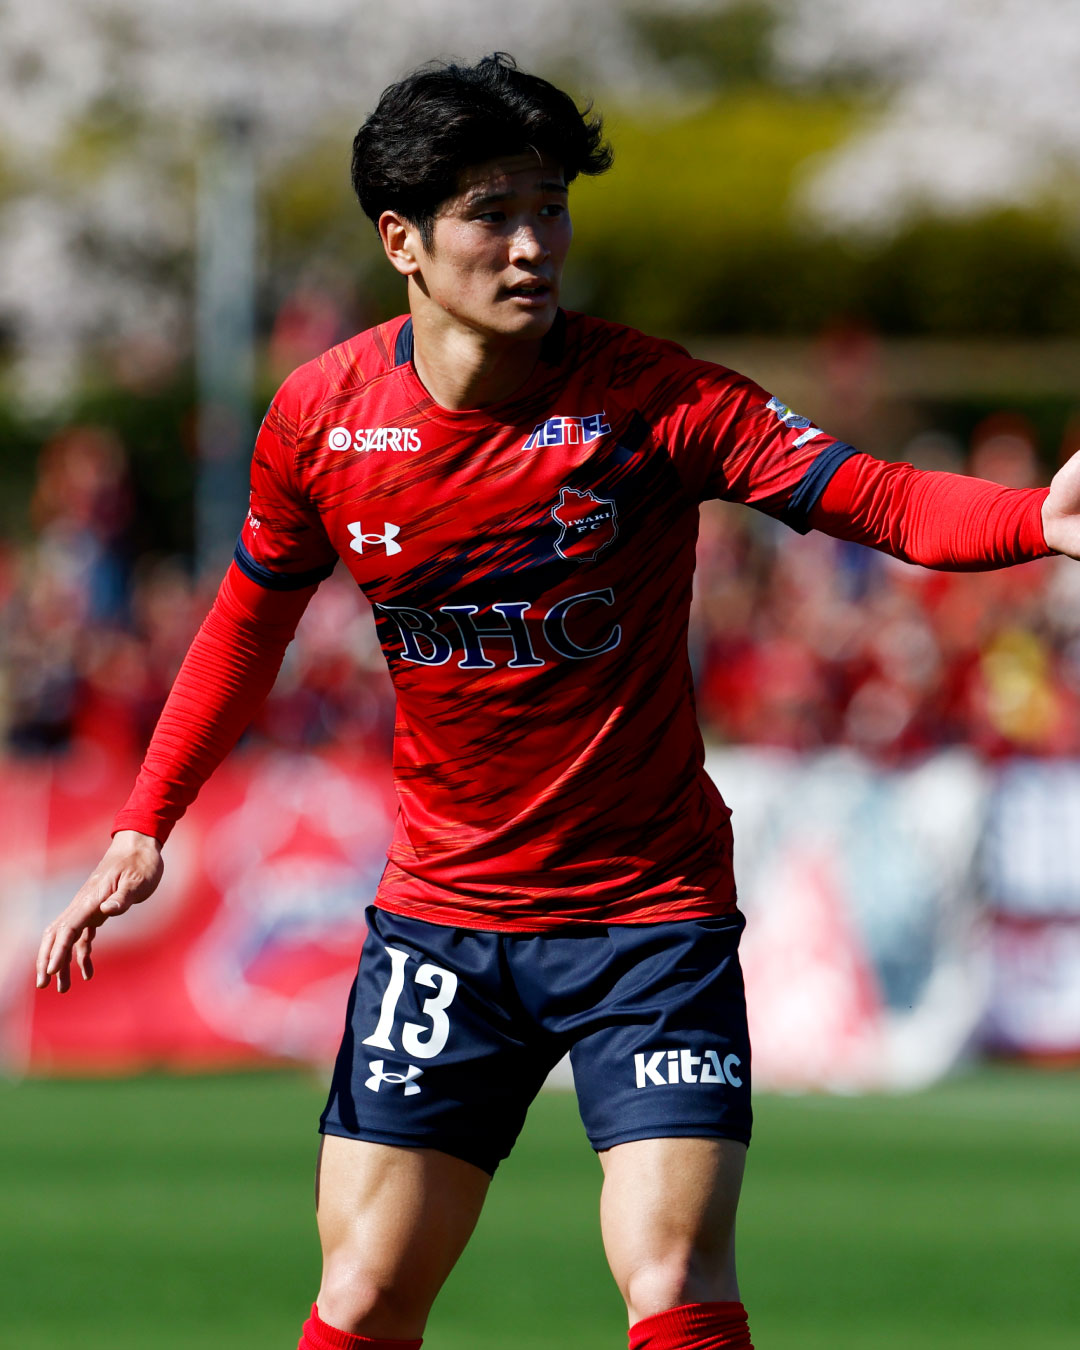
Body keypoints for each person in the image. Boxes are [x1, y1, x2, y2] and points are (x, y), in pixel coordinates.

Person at [35, 54, 1080, 1350]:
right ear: (402, 241)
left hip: (649, 916)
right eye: (493, 213)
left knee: (676, 1275)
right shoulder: (322, 417)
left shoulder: (654, 399)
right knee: (363, 1293)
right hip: (444, 921)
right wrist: (146, 819)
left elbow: (877, 497)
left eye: (550, 206)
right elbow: (248, 623)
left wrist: (1035, 518)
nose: (533, 244)